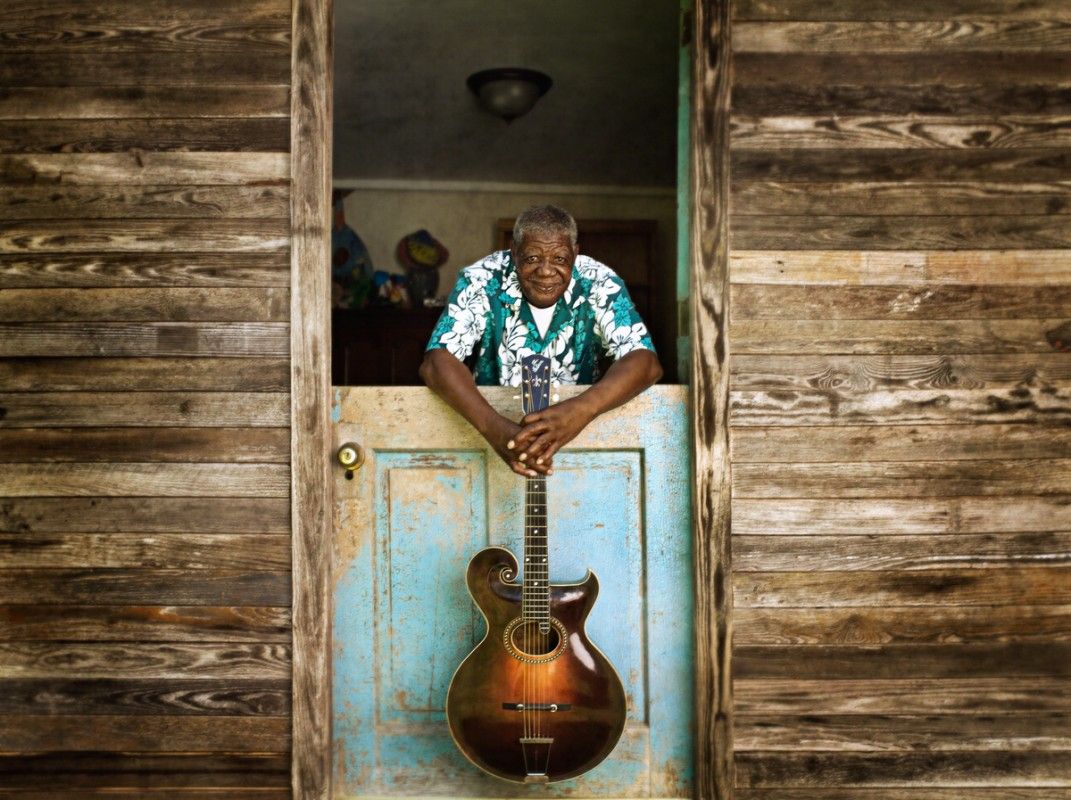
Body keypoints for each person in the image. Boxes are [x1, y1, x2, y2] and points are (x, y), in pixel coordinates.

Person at [420, 204, 662, 478]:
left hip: (580, 441)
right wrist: (495, 430)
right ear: (514, 252)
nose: (546, 271)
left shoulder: (598, 281)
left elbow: (645, 363)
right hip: (490, 440)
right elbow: (436, 363)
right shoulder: (482, 279)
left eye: (559, 258)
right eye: (532, 258)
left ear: (575, 253)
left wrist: (582, 410)